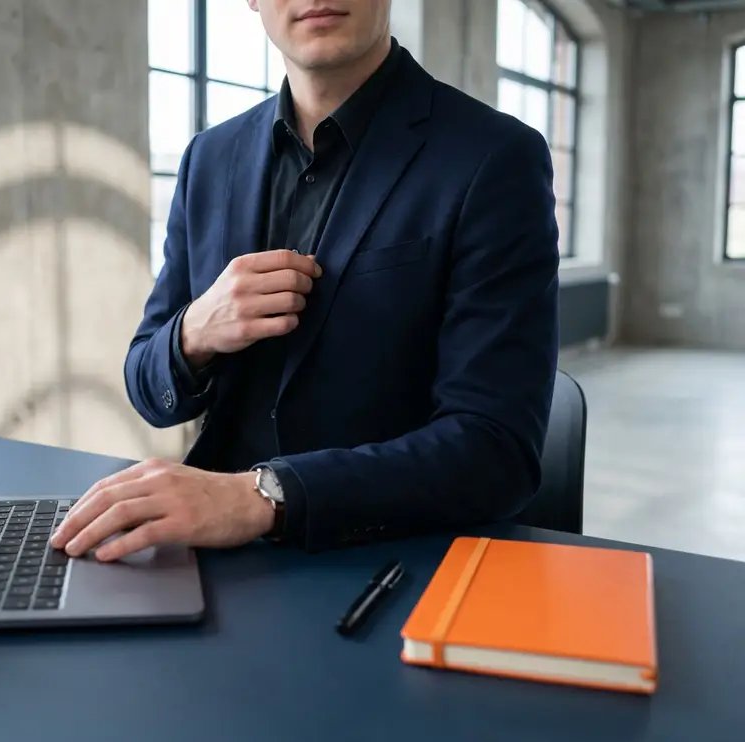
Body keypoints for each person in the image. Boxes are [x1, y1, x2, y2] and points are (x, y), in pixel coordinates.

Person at [51, 0, 559, 562]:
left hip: (387, 561)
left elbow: (496, 452)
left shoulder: (493, 157)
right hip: (211, 554)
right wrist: (194, 330)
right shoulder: (209, 159)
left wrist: (263, 495)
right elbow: (148, 388)